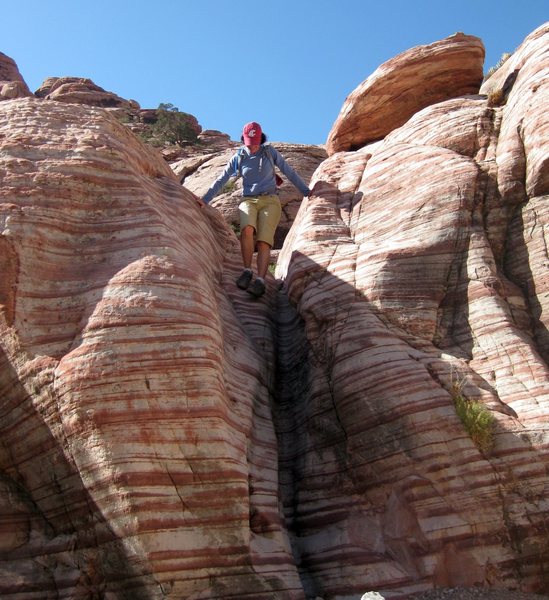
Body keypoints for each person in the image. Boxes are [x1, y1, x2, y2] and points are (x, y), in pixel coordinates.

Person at [202, 121, 311, 297]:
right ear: (243, 139)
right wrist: (205, 199)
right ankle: (247, 271)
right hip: (248, 199)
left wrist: (306, 192)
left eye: (254, 140)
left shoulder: (269, 152)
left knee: (263, 240)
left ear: (260, 138)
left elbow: (288, 171)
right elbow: (222, 178)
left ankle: (260, 281)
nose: (252, 145)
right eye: (248, 141)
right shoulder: (239, 156)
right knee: (247, 230)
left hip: (270, 200)